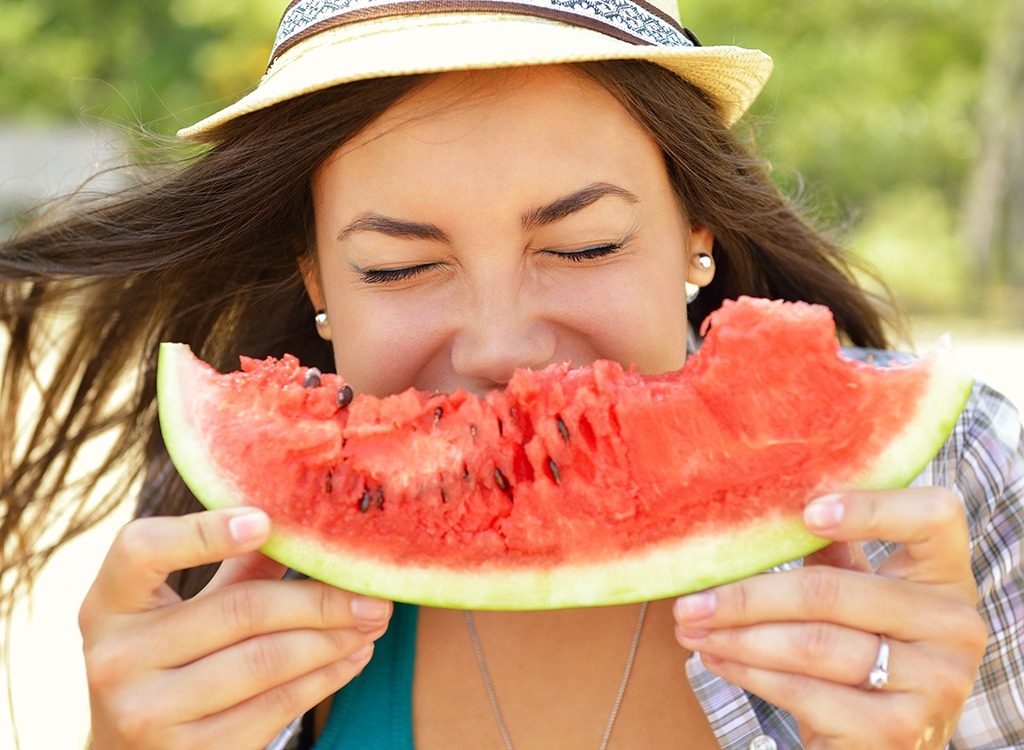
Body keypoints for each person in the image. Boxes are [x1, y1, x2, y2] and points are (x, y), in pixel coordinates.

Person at [1, 0, 1021, 748]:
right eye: (398, 266)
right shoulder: (225, 553)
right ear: (318, 279)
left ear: (693, 236)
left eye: (582, 246)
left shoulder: (945, 485)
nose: (501, 349)